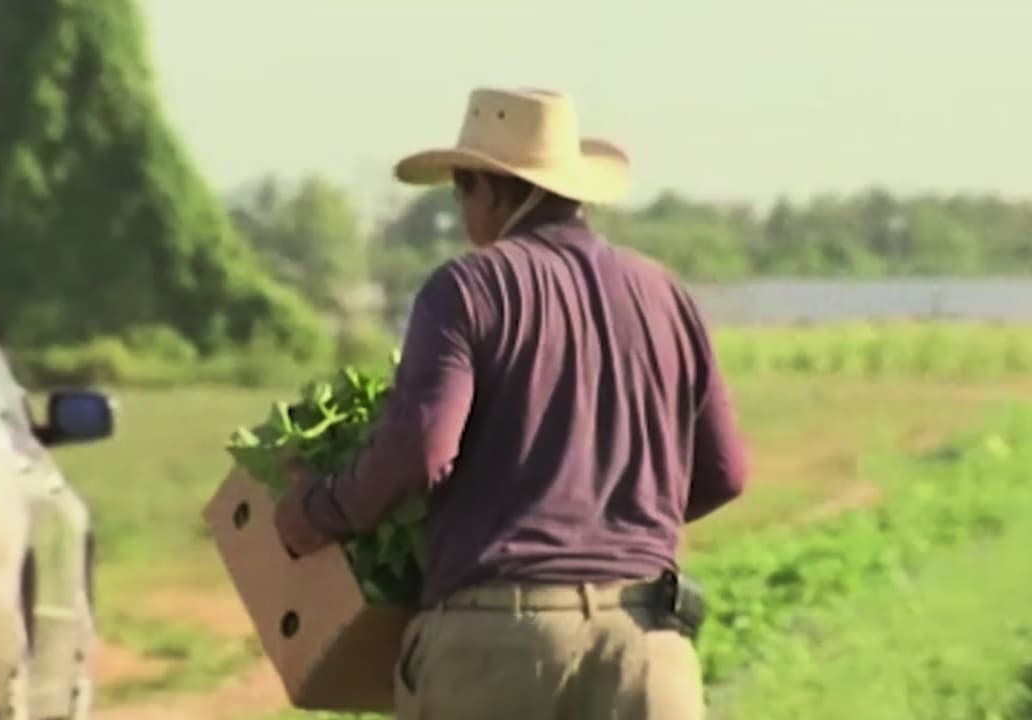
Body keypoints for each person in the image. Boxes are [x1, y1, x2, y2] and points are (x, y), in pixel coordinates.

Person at [274, 87, 749, 720]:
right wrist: (613, 527)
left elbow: (420, 450)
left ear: (492, 191)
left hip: (500, 652)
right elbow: (726, 472)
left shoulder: (467, 288)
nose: (464, 217)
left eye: (461, 195)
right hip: (647, 648)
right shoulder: (666, 295)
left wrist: (320, 509)